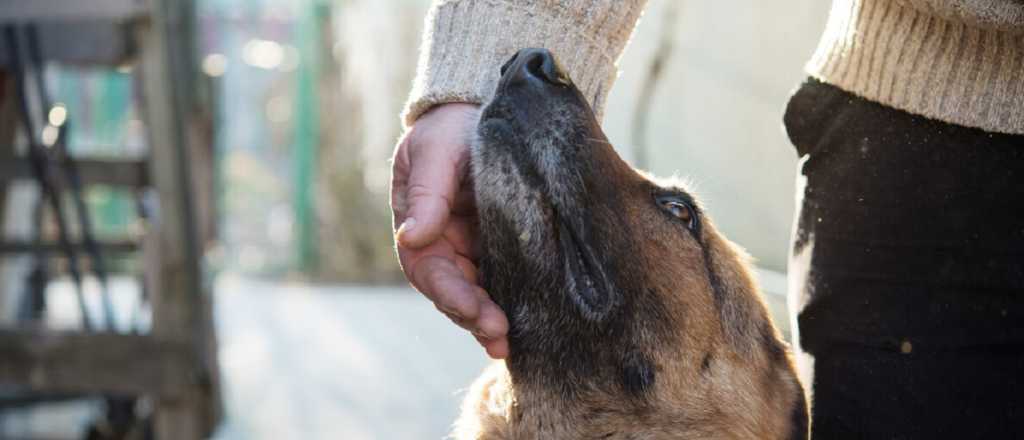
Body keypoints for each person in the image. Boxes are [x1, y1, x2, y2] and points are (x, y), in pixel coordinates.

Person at [390, 0, 1024, 437]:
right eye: (675, 212)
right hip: (919, 158)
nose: (523, 68)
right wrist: (512, 31)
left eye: (676, 215)